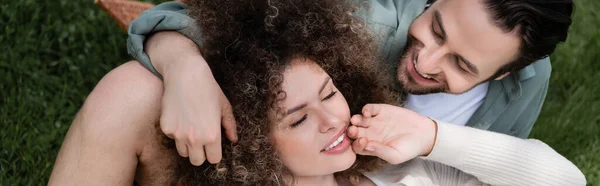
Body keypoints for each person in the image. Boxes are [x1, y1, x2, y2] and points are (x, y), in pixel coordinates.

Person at [49, 0, 585, 184]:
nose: (425, 60)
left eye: (463, 65)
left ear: (503, 75)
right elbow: (220, 23)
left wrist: (431, 137)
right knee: (130, 92)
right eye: (436, 27)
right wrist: (183, 65)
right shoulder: (362, 18)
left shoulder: (421, 170)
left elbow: (551, 177)